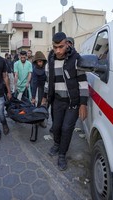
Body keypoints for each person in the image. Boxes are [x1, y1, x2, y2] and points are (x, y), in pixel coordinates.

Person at [41, 32, 88, 171]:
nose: (58, 51)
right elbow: (48, 80)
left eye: (60, 47)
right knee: (55, 127)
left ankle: (62, 154)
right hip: (57, 101)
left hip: (72, 102)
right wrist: (44, 97)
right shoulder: (50, 58)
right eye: (55, 47)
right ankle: (56, 144)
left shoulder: (76, 58)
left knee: (66, 129)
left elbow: (83, 82)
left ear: (67, 43)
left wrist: (83, 103)